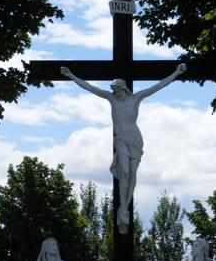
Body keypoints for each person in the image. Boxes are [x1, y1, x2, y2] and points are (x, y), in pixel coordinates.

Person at [60, 63, 187, 233]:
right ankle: (123, 209)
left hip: (135, 139)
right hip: (120, 140)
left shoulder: (136, 98)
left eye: (117, 91)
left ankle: (124, 207)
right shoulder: (112, 99)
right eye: (114, 92)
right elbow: (90, 87)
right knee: (125, 172)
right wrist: (71, 76)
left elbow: (159, 85)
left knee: (133, 173)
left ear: (123, 89)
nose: (115, 94)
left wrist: (176, 73)